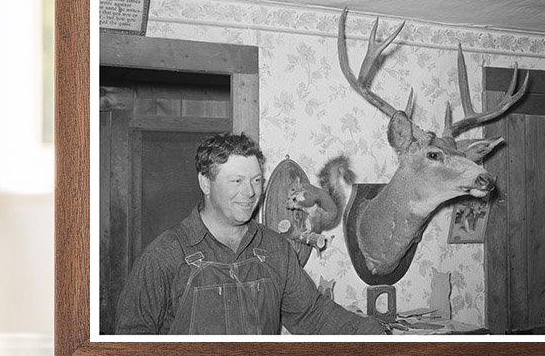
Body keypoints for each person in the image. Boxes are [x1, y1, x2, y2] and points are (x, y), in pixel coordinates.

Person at [115, 132, 386, 336]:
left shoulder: (275, 249)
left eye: (256, 181)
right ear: (205, 183)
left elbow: (313, 315)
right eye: (236, 181)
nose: (250, 193)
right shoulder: (165, 253)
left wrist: (374, 333)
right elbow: (130, 343)